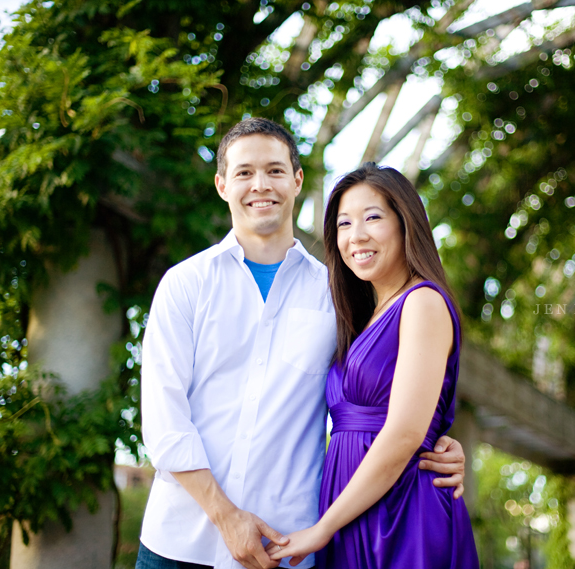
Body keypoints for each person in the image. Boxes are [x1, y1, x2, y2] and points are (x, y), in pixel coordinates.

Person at [136, 118, 467, 569]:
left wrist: (438, 444)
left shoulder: (338, 297)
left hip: (286, 543)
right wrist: (226, 516)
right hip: (179, 539)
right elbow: (163, 418)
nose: (260, 185)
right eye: (244, 173)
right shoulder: (185, 284)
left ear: (296, 181)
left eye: (274, 170)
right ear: (221, 185)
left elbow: (390, 390)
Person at [268, 163, 479, 568]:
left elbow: (403, 433)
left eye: (373, 218)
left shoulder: (421, 302)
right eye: (344, 223)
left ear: (406, 223)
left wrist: (322, 527)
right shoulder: (361, 316)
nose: (356, 235)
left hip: (402, 511)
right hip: (353, 510)